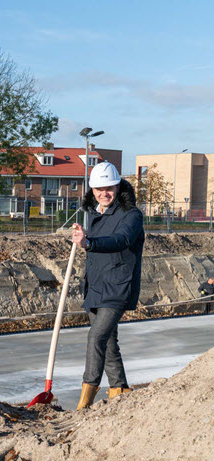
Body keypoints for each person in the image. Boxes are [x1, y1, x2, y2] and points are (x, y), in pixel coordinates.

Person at [72, 161, 144, 409]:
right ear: (92, 190)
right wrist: (84, 239)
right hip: (95, 287)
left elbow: (121, 240)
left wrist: (89, 243)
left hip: (117, 287)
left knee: (96, 338)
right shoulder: (95, 215)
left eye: (109, 188)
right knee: (109, 341)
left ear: (118, 186)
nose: (104, 193)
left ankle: (84, 403)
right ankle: (119, 390)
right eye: (99, 189)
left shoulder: (132, 215)